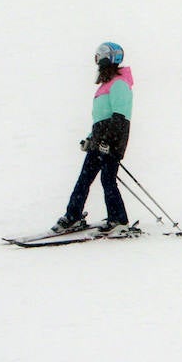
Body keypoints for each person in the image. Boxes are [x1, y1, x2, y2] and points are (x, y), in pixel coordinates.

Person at [53, 41, 137, 234]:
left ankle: (119, 219)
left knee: (107, 179)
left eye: (100, 55)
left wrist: (107, 141)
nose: (97, 60)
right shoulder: (106, 85)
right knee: (84, 179)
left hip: (113, 140)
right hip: (101, 140)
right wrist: (91, 138)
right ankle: (72, 216)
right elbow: (101, 119)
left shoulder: (119, 85)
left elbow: (120, 117)